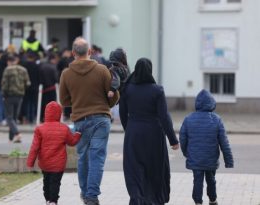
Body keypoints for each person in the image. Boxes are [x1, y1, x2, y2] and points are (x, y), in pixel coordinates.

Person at [59, 37, 119, 205]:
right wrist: (107, 103)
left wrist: (79, 101)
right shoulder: (102, 70)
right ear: (90, 52)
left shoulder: (66, 73)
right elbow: (113, 96)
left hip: (79, 121)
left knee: (83, 157)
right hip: (101, 119)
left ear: (72, 53)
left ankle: (85, 193)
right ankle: (92, 196)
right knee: (97, 158)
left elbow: (64, 101)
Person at [119, 58, 179, 205]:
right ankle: (154, 199)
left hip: (133, 133)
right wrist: (173, 140)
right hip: (154, 133)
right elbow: (164, 117)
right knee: (155, 167)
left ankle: (137, 198)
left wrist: (130, 129)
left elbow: (122, 114)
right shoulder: (157, 90)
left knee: (134, 168)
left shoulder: (127, 89)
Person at [180, 89, 234, 205]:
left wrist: (186, 153)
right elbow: (224, 142)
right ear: (212, 103)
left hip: (195, 158)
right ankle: (213, 200)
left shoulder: (188, 119)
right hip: (211, 158)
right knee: (211, 180)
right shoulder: (217, 120)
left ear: (197, 103)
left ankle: (198, 202)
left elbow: (183, 139)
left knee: (197, 181)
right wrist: (228, 161)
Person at [27, 101, 81, 205]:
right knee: (55, 182)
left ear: (46, 113)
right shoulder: (64, 128)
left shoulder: (40, 128)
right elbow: (72, 142)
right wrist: (78, 134)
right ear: (59, 114)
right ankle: (53, 201)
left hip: (45, 163)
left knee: (46, 181)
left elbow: (35, 147)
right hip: (58, 164)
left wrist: (30, 163)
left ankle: (48, 199)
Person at [1, 54, 30, 143]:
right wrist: (22, 89)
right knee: (14, 117)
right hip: (20, 95)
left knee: (9, 117)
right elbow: (28, 83)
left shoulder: (7, 69)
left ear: (8, 62)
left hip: (9, 95)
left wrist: (4, 94)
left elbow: (4, 84)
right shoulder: (23, 69)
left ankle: (17, 133)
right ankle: (11, 138)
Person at [20, 50, 39, 124]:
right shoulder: (36, 66)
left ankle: (26, 118)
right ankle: (32, 118)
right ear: (34, 58)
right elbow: (38, 76)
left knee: (26, 103)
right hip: (35, 87)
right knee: (33, 103)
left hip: (26, 87)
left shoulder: (24, 65)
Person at [39, 53, 59, 122]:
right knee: (52, 104)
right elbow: (56, 78)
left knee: (43, 104)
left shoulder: (42, 66)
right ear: (52, 59)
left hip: (43, 89)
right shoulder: (53, 67)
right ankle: (51, 118)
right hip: (52, 88)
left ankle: (42, 117)